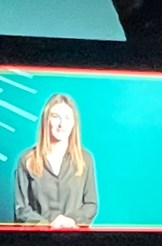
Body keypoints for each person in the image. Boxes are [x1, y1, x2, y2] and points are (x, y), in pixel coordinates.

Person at [12, 92, 98, 228]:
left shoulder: (85, 159)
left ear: (73, 124)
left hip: (76, 241)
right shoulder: (26, 159)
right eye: (55, 117)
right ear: (46, 121)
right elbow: (21, 209)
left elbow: (91, 205)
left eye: (67, 118)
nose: (62, 124)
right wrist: (46, 226)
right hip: (37, 242)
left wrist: (72, 220)